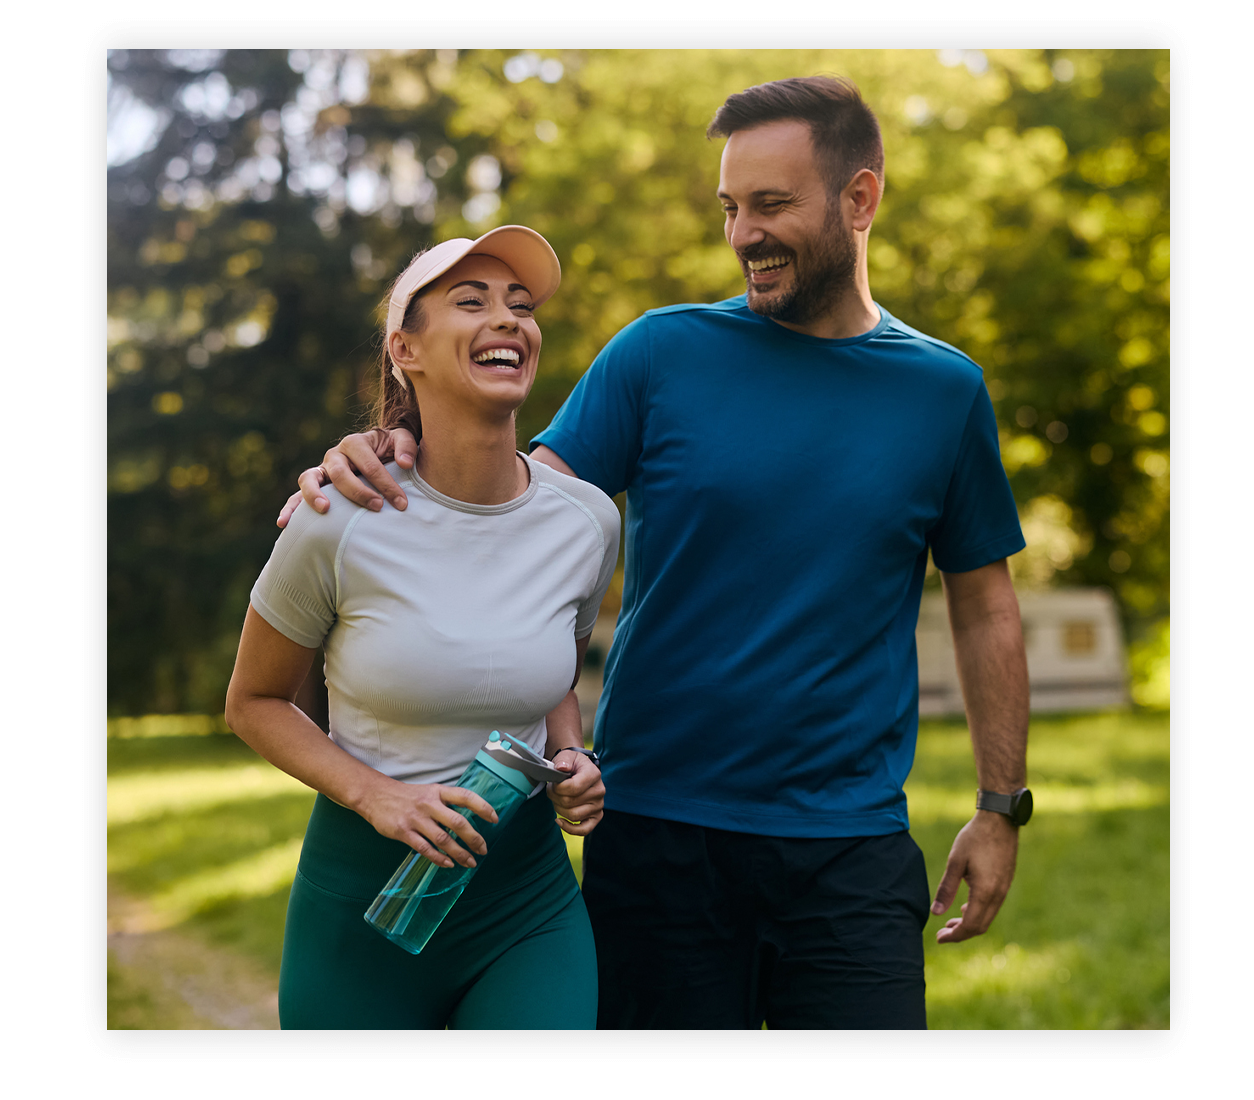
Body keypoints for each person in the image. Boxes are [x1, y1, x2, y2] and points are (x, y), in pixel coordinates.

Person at [282, 77, 1030, 1030]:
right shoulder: (660, 355)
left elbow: (987, 604)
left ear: (860, 200)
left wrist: (1001, 805)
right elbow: (499, 509)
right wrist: (389, 442)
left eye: (772, 204)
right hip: (659, 838)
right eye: (731, 208)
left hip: (852, 849)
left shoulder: (944, 391)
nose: (744, 233)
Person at [226, 226, 620, 1030]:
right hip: (361, 902)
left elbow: (552, 678)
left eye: (521, 305)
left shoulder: (586, 522)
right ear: (406, 349)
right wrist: (380, 799)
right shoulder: (336, 520)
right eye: (471, 301)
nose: (508, 319)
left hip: (525, 904)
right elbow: (254, 703)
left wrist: (573, 755)